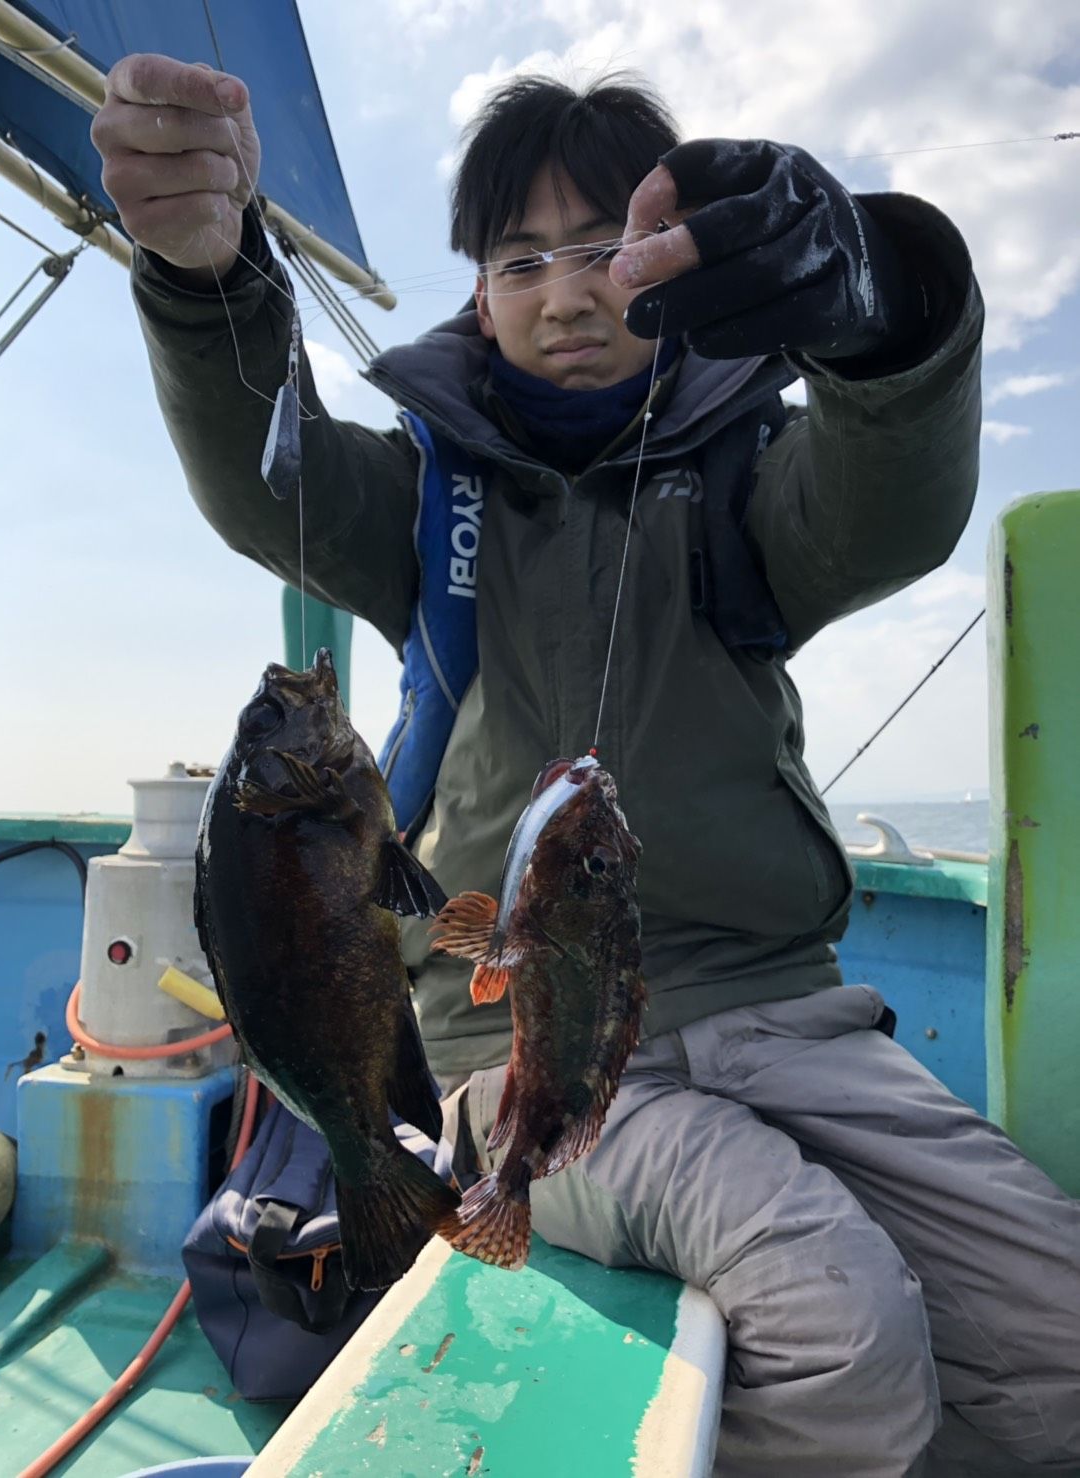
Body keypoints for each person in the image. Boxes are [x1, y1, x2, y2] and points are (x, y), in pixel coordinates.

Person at [92, 54, 1080, 1477]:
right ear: (477, 293)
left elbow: (891, 504)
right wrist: (209, 281)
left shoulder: (753, 481)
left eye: (606, 248)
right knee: (845, 1324)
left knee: (1058, 1342)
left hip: (792, 1019)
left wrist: (881, 308)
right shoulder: (418, 500)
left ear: (671, 264)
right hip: (521, 1067)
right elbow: (268, 475)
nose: (563, 294)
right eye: (519, 259)